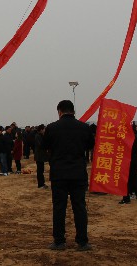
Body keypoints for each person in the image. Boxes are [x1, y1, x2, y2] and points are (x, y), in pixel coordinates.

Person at [42, 100, 93, 251]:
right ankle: (82, 242)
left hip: (59, 174)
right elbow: (91, 145)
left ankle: (59, 241)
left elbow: (45, 146)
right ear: (73, 111)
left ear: (59, 111)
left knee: (59, 208)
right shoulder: (84, 127)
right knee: (80, 207)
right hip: (78, 173)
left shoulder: (52, 128)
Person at [119, 123, 137, 204]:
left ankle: (126, 198)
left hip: (126, 161)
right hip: (134, 161)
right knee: (136, 179)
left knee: (125, 181)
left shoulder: (123, 138)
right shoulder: (136, 137)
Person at [34, 124, 48, 189]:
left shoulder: (41, 135)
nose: (45, 130)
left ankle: (42, 183)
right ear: (41, 130)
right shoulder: (37, 136)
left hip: (41, 156)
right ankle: (40, 184)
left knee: (41, 170)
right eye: (44, 129)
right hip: (39, 156)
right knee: (40, 171)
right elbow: (41, 145)